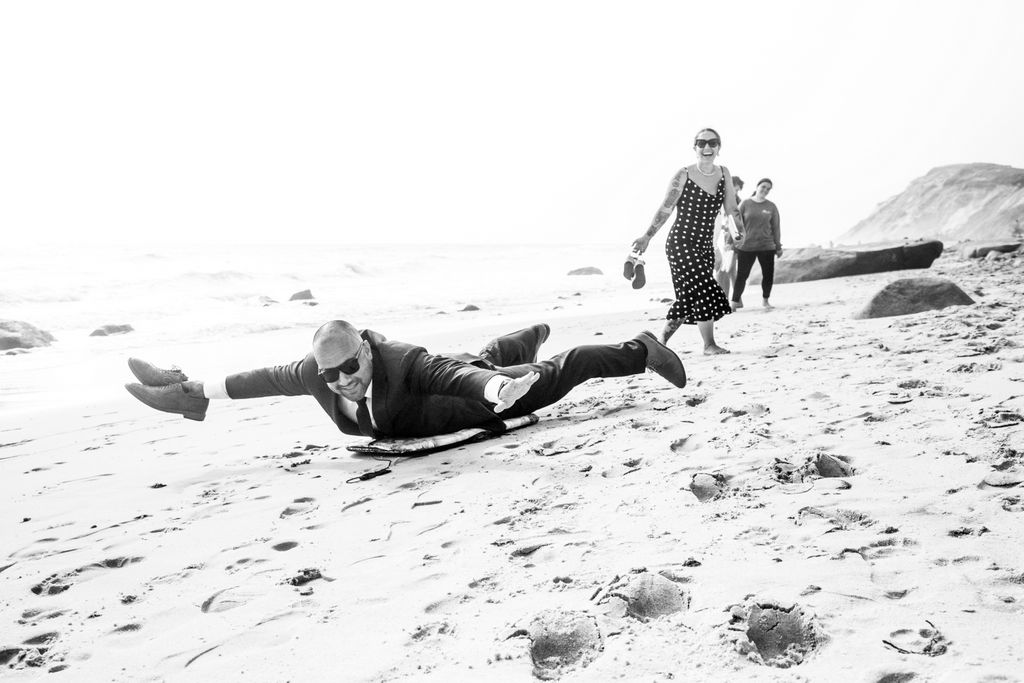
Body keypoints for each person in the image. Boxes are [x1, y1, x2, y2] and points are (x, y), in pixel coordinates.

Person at [124, 321, 688, 439]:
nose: (341, 381)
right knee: (484, 356)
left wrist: (496, 391)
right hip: (459, 375)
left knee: (557, 370)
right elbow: (263, 379)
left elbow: (450, 375)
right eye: (329, 374)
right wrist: (193, 393)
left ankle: (642, 348)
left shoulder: (404, 361)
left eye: (350, 368)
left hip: (476, 399)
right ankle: (525, 335)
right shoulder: (320, 372)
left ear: (366, 350)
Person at [631, 128, 743, 355]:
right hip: (681, 243)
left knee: (691, 296)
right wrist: (647, 236)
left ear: (719, 147)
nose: (707, 147)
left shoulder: (724, 173)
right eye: (701, 143)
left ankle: (665, 344)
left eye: (712, 142)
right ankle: (701, 345)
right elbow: (666, 208)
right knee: (704, 287)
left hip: (705, 245)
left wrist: (740, 230)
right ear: (695, 147)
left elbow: (731, 208)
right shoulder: (683, 174)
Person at [731, 178, 782, 310]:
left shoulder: (771, 206)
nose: (765, 190)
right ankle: (734, 303)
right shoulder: (745, 203)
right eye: (763, 186)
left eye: (768, 188)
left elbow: (776, 228)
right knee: (742, 275)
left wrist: (778, 246)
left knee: (768, 275)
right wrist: (733, 243)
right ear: (757, 186)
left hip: (767, 246)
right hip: (746, 247)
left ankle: (765, 301)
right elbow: (735, 224)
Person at [714, 175, 745, 301]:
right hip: (722, 238)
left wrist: (730, 241)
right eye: (734, 189)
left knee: (723, 270)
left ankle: (724, 300)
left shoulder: (737, 202)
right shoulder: (719, 197)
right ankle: (737, 300)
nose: (735, 192)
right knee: (731, 271)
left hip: (730, 240)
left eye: (737, 190)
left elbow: (736, 223)